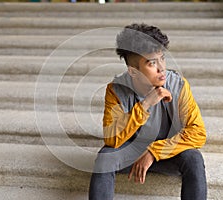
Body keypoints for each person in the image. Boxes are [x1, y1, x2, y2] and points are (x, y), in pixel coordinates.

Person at [89, 23, 207, 200]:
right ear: (133, 71)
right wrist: (146, 103)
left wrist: (154, 151)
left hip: (168, 154)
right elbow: (112, 139)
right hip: (130, 153)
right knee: (105, 157)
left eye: (162, 58)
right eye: (152, 63)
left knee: (194, 158)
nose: (161, 68)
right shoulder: (116, 90)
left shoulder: (178, 85)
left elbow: (197, 132)